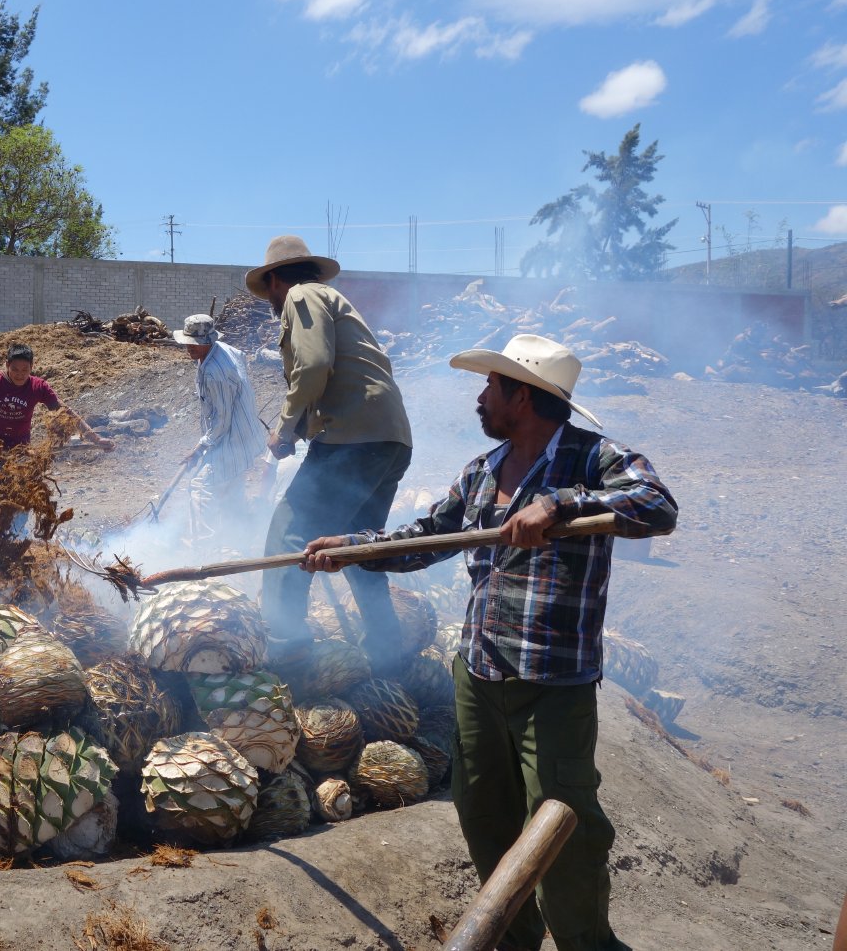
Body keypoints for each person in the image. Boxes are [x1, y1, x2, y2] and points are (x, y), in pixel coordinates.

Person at [303, 333, 678, 951]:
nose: (480, 398)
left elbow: (658, 507)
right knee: (484, 817)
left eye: (490, 386)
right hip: (478, 676)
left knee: (564, 829)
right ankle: (513, 940)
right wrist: (356, 547)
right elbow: (426, 536)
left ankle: (586, 942)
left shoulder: (594, 458)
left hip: (552, 686)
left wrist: (558, 505)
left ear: (523, 396)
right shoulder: (483, 471)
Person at [248, 234, 413, 671]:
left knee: (288, 532)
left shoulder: (300, 295)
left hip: (353, 441)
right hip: (388, 439)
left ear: (276, 280)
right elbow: (337, 375)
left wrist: (284, 428)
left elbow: (315, 364)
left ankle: (286, 648)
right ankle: (386, 655)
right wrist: (302, 429)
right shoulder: (329, 297)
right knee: (361, 549)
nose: (270, 298)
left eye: (268, 289)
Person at [170, 313, 267, 542]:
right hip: (241, 435)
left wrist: (199, 448)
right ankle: (240, 542)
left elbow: (222, 421)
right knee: (231, 489)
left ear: (208, 342)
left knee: (200, 487)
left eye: (194, 344)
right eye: (187, 342)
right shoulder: (224, 349)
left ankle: (204, 550)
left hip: (231, 438)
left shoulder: (216, 373)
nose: (188, 348)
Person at [0, 342, 112, 493]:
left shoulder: (37, 387)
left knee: (21, 501)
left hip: (21, 451)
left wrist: (96, 439)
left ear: (32, 366)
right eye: (14, 369)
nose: (20, 374)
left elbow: (66, 412)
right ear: (6, 365)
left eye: (25, 370)